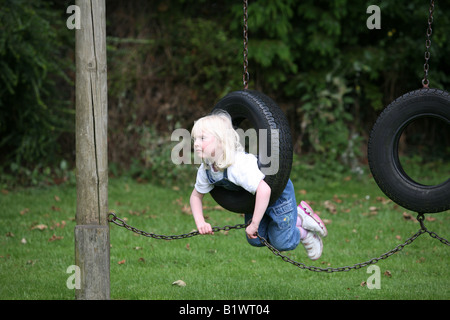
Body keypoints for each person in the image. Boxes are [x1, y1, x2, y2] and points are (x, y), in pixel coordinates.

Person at [189, 111, 327, 260]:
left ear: (221, 141)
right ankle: (296, 218)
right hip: (255, 199)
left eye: (202, 138)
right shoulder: (207, 169)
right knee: (255, 239)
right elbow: (196, 196)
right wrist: (201, 222)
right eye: (195, 139)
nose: (196, 143)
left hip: (276, 194)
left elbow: (265, 189)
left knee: (282, 242)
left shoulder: (238, 165)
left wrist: (254, 223)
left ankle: (302, 228)